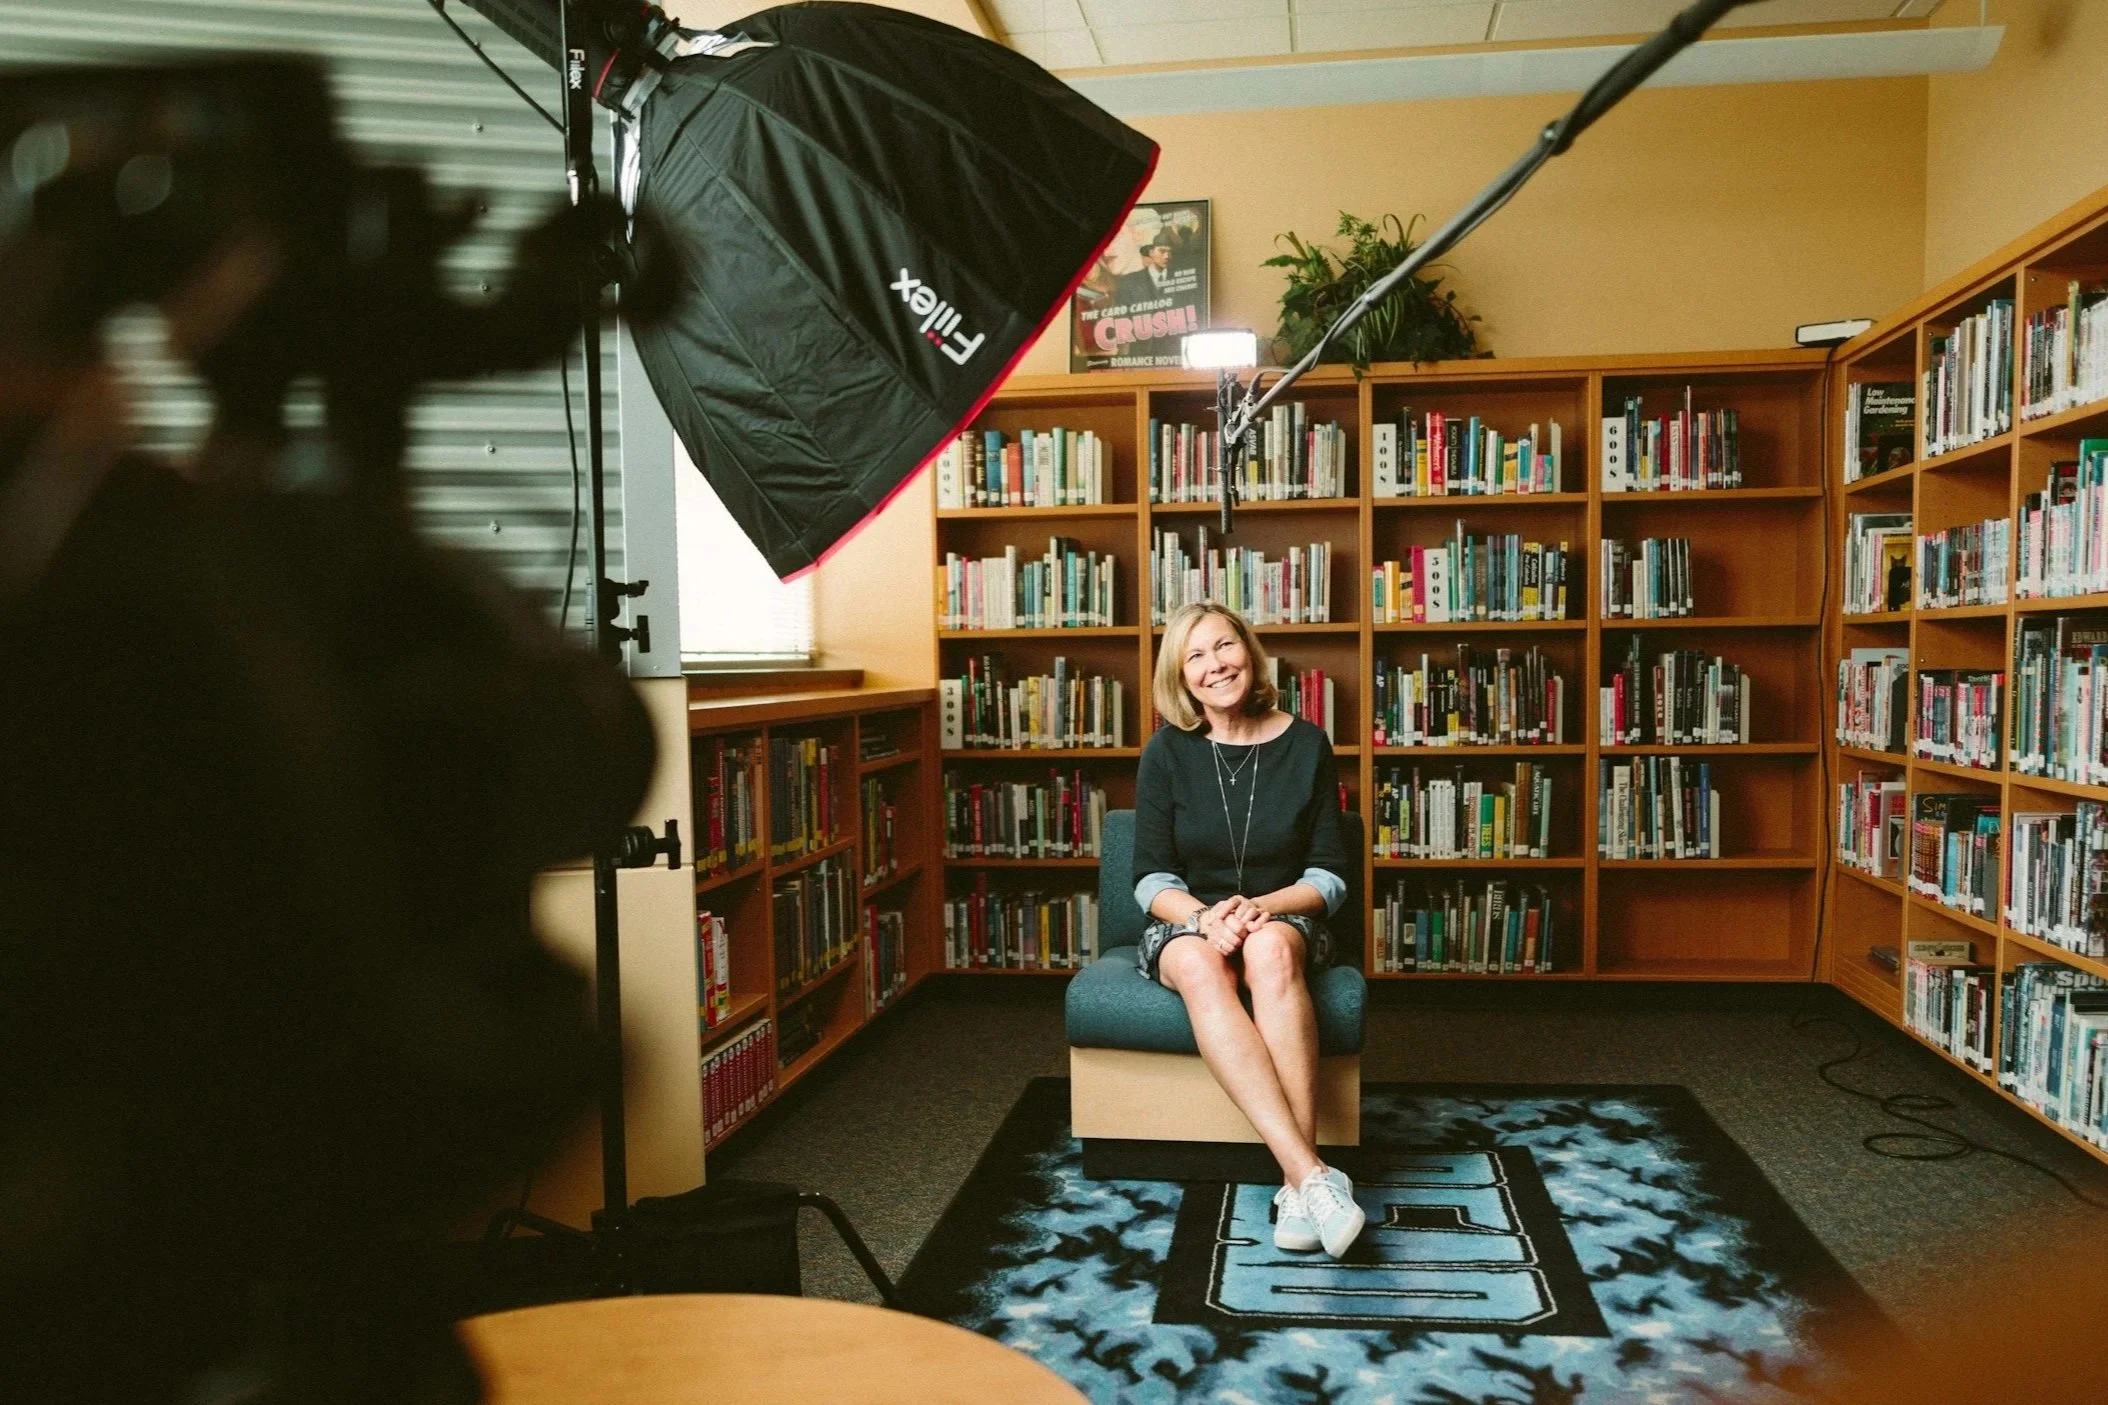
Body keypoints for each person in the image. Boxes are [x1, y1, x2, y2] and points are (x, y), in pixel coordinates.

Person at [1131, 602, 1364, 1259]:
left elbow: (1329, 875)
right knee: (1204, 964)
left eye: (1223, 645)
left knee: (1266, 948)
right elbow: (1149, 879)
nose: (1214, 665)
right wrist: (1205, 918)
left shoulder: (1307, 742)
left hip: (1279, 913)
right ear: (1180, 676)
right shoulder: (1166, 752)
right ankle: (1311, 1174)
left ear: (1250, 652)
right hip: (1185, 921)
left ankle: (1297, 1186)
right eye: (1194, 656)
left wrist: (1254, 908)